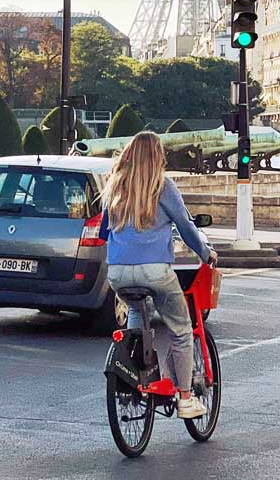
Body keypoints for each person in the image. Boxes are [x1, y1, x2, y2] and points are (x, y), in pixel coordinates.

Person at [99, 131, 217, 420]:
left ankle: (140, 376)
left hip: (117, 272)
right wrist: (206, 253)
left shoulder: (115, 186)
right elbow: (186, 227)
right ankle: (186, 399)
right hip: (155, 270)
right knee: (181, 330)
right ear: (158, 158)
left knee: (138, 320)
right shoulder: (163, 186)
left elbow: (104, 232)